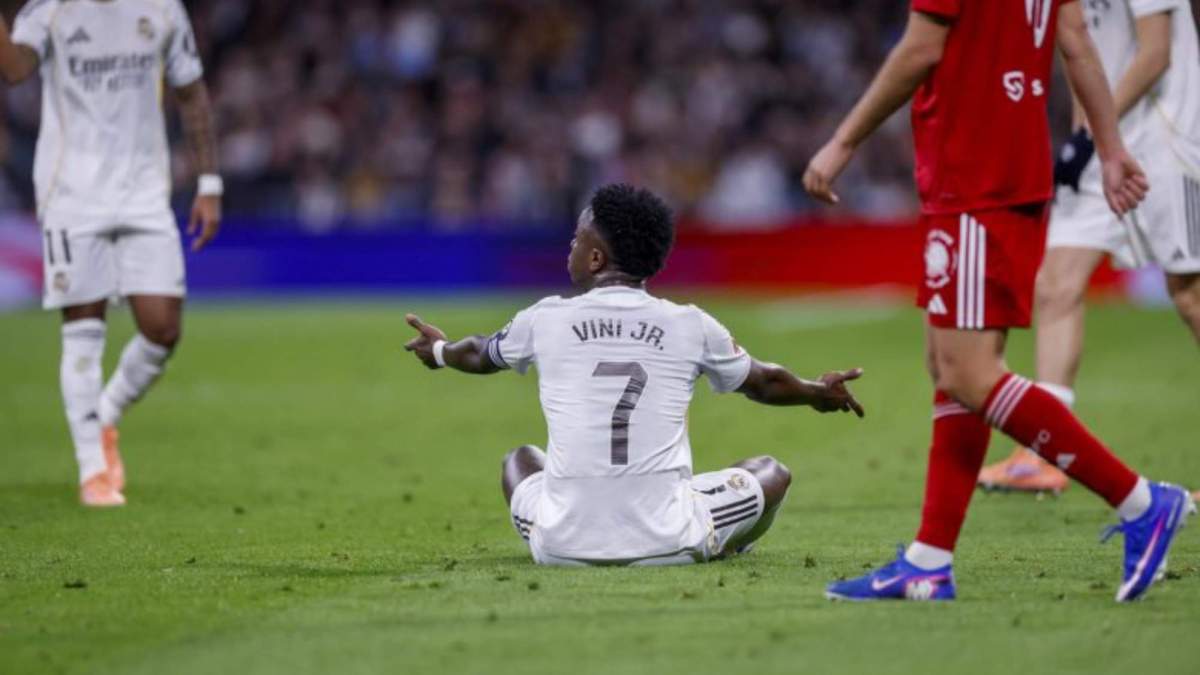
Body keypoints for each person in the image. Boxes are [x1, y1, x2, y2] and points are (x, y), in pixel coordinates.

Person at [803, 0, 1192, 602]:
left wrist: (842, 140)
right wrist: (1109, 148)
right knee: (950, 367)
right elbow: (1076, 42)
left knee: (970, 371)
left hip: (975, 174)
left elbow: (920, 48)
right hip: (1008, 169)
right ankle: (929, 560)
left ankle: (1142, 502)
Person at [403, 184, 865, 566]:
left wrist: (439, 350)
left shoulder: (543, 319)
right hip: (670, 542)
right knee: (770, 472)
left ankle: (565, 528)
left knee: (519, 461)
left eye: (578, 238)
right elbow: (764, 381)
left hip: (560, 548)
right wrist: (815, 393)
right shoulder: (690, 324)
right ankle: (726, 542)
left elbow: (481, 353)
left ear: (597, 259)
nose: (571, 245)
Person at [0, 0, 222, 506]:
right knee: (84, 325)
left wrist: (209, 183)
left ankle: (105, 414)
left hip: (144, 193)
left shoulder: (162, 10)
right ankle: (93, 470)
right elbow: (13, 69)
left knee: (163, 328)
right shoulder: (51, 9)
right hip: (72, 194)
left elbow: (192, 94)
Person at [978, 0, 1200, 498]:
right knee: (1055, 284)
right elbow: (1079, 49)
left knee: (1189, 294)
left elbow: (1156, 51)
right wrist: (1090, 135)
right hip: (1106, 144)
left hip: (1170, 144)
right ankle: (1043, 451)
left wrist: (1092, 130)